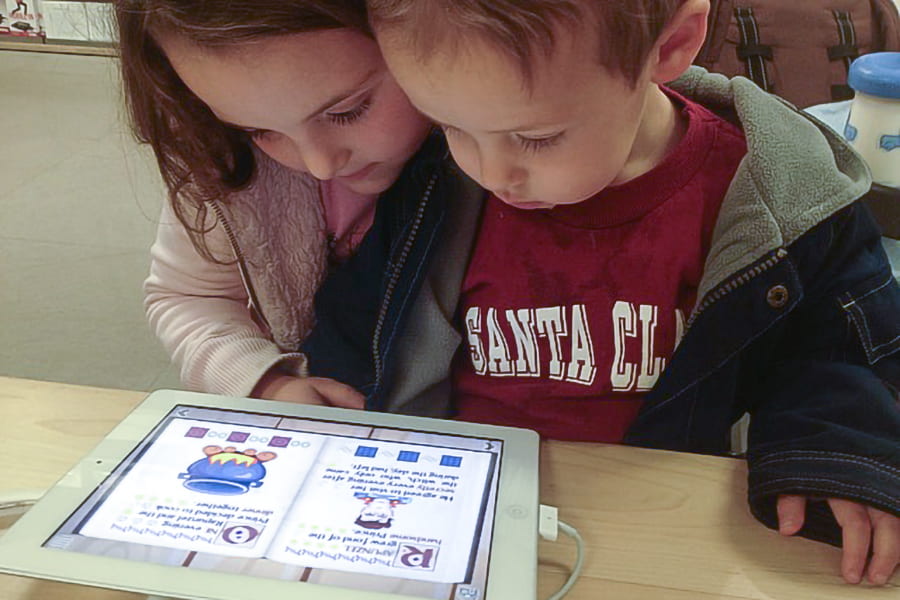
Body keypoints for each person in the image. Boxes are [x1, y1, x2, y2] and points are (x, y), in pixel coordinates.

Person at [300, 0, 900, 585]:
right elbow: (365, 318)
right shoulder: (435, 181)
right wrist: (327, 394)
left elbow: (839, 350)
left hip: (662, 508)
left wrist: (836, 455)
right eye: (453, 126)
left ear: (669, 46)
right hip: (450, 502)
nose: (491, 172)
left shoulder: (779, 197)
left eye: (535, 137)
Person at [116, 0, 449, 406]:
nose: (319, 164)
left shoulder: (511, 157)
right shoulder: (222, 158)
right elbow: (190, 298)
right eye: (256, 130)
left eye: (347, 111)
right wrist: (265, 383)